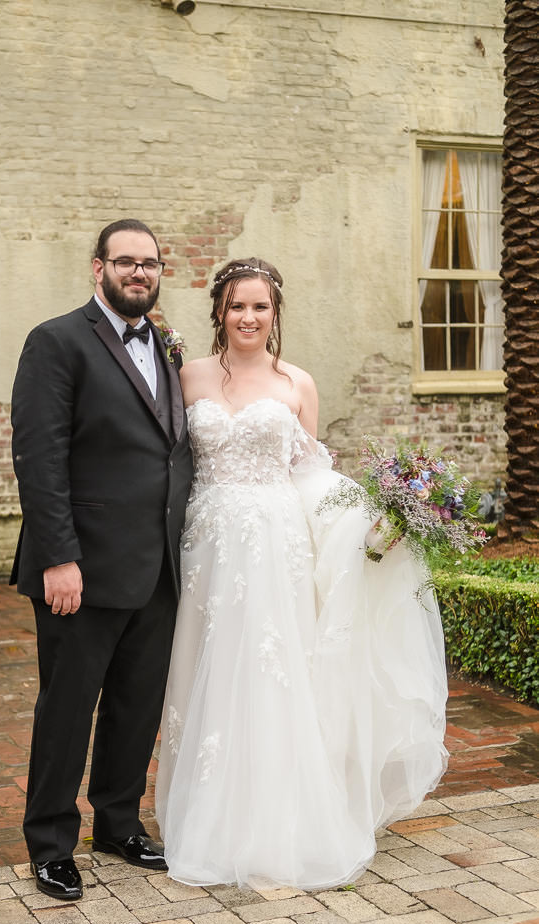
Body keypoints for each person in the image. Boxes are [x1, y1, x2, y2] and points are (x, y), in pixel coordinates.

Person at [155, 257, 448, 891]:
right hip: (207, 545)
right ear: (219, 312)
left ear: (275, 313)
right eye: (237, 305)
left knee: (273, 671)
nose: (248, 317)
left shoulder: (298, 383)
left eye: (260, 306)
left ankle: (279, 823)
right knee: (209, 668)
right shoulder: (188, 375)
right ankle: (207, 814)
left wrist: (369, 525)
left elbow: (312, 477)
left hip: (276, 542)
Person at [10, 219, 193, 901]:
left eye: (150, 263)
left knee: (135, 706)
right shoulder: (56, 341)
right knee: (67, 710)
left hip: (156, 567)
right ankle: (51, 844)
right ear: (98, 268)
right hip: (80, 571)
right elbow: (39, 457)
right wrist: (59, 557)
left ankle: (118, 824)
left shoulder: (166, 346)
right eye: (125, 262)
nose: (139, 272)